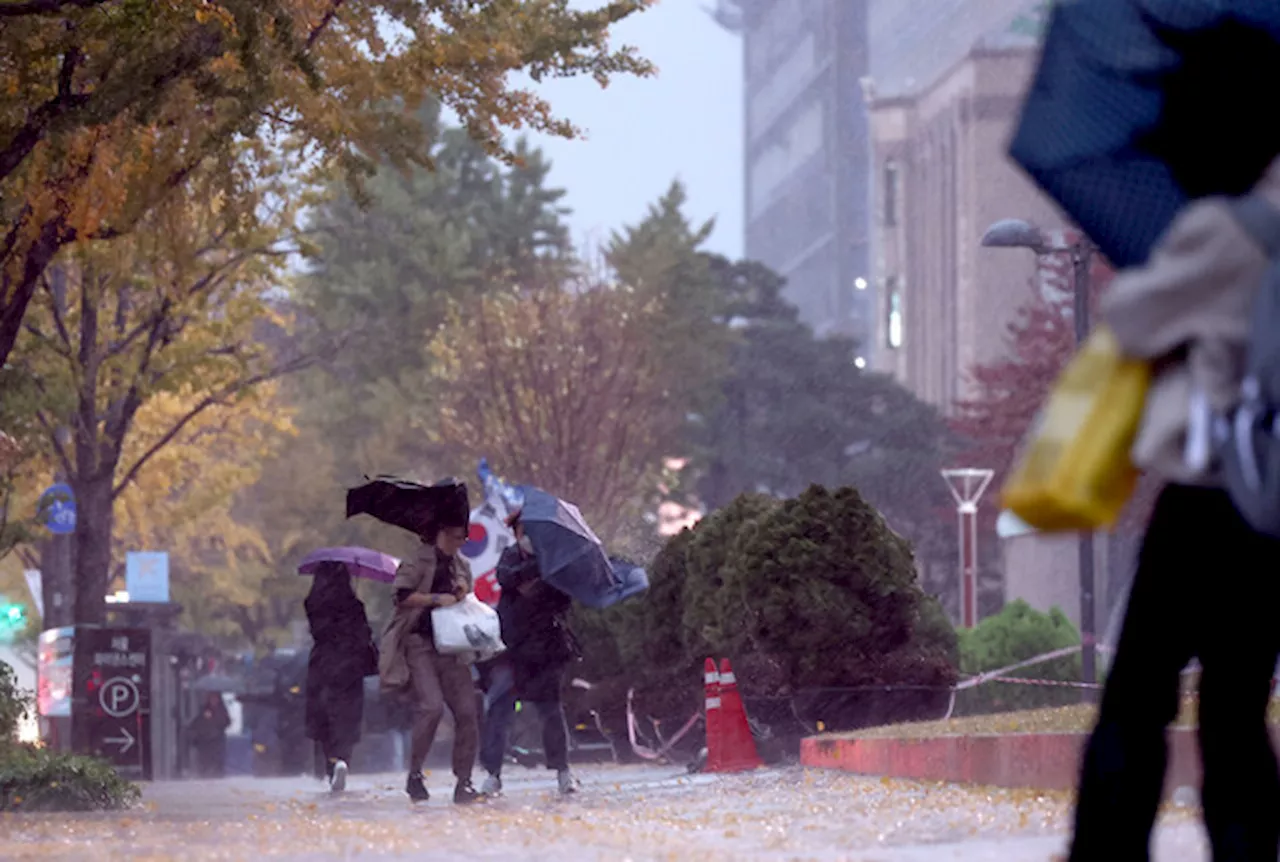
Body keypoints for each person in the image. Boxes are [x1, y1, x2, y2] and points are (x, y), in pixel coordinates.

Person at [1069, 161, 1280, 861]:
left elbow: (1133, 317)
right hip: (1273, 509)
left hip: (1209, 497)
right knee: (1237, 708)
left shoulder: (1227, 228)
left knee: (1137, 693)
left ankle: (1108, 849)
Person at [479, 510, 580, 797]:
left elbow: (563, 601)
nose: (529, 537)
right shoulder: (511, 557)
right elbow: (506, 578)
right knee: (499, 707)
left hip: (547, 649)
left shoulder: (558, 564)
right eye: (525, 531)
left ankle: (563, 771)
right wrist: (535, 568)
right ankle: (492, 774)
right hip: (511, 651)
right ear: (517, 534)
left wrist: (546, 576)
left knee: (551, 711)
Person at [384, 517, 485, 804]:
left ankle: (463, 781)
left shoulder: (460, 564)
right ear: (441, 533)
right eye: (455, 537)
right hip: (421, 644)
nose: (460, 543)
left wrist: (462, 589)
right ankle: (415, 773)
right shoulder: (417, 561)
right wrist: (434, 599)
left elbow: (468, 591)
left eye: (464, 538)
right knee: (431, 707)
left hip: (453, 646)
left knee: (467, 711)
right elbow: (401, 596)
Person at [304, 561, 378, 793]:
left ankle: (331, 764)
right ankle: (343, 759)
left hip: (322, 664)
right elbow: (364, 634)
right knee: (347, 715)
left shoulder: (313, 604)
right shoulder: (353, 606)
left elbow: (319, 632)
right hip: (349, 666)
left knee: (325, 715)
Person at [188, 692, 231, 778]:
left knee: (217, 759)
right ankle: (205, 773)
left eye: (215, 698)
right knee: (206, 759)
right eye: (212, 698)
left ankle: (217, 774)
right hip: (205, 740)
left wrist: (217, 722)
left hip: (217, 739)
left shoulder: (222, 710)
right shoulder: (204, 709)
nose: (213, 700)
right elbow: (197, 722)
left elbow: (226, 722)